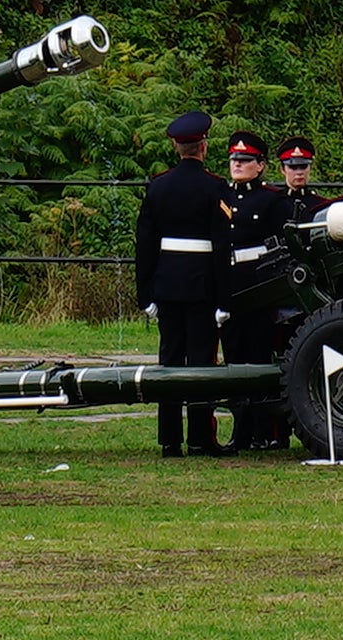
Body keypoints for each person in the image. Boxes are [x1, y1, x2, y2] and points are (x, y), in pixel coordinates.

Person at [132, 107, 233, 460]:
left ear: (177, 147)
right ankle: (201, 438)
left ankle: (170, 439)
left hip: (168, 284)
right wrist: (225, 299)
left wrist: (145, 293)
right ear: (203, 146)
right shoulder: (215, 186)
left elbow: (145, 244)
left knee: (169, 361)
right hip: (203, 285)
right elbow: (222, 247)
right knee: (201, 363)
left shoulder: (159, 186)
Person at [220, 135, 301, 454]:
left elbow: (284, 244)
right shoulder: (221, 196)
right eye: (233, 160)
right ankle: (240, 430)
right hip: (229, 282)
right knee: (233, 358)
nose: (237, 164)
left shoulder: (271, 200)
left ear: (261, 166)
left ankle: (264, 430)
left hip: (258, 282)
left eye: (245, 160)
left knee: (258, 356)